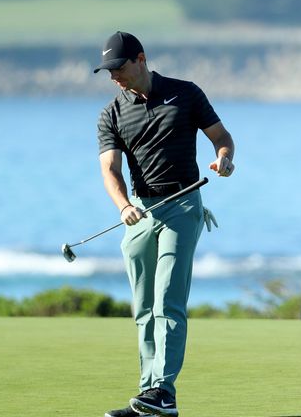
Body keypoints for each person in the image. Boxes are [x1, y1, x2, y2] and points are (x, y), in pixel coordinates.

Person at [94, 31, 235, 417]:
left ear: (140, 59)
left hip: (183, 205)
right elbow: (109, 169)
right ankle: (147, 398)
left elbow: (222, 137)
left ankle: (163, 392)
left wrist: (223, 159)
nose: (113, 77)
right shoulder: (112, 113)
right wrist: (123, 206)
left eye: (118, 68)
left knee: (167, 301)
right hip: (139, 210)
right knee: (142, 307)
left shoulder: (185, 93)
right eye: (107, 72)